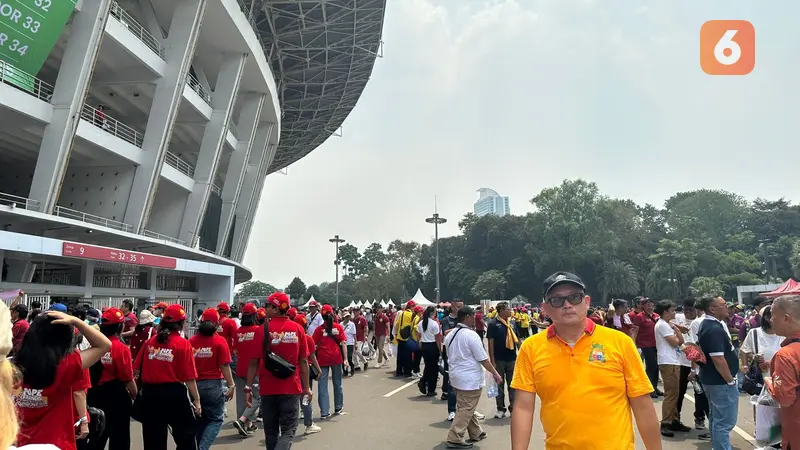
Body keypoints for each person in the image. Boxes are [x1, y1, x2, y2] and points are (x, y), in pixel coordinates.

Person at [510, 272, 661, 450]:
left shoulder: (620, 343)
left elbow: (642, 405)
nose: (567, 305)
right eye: (557, 300)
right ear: (545, 308)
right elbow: (523, 408)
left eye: (574, 297)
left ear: (586, 302)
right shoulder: (531, 348)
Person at [13, 310, 112, 450]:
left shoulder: (11, 367)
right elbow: (104, 345)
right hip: (56, 443)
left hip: (16, 443)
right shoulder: (67, 365)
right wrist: (76, 321)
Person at [244, 292, 312, 450]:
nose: (265, 308)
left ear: (275, 309)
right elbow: (303, 362)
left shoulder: (262, 330)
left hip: (268, 388)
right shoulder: (298, 329)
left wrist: (248, 387)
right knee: (288, 431)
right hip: (291, 388)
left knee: (271, 433)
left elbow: (253, 362)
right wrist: (307, 388)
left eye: (267, 305)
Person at [133, 304, 200, 450]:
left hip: (151, 396)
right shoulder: (183, 344)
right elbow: (189, 377)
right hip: (174, 395)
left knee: (153, 441)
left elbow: (136, 369)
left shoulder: (150, 342)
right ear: (182, 323)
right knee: (186, 438)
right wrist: (197, 400)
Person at [443, 306, 501, 449]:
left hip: (456, 376)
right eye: (473, 316)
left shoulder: (450, 334)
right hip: (469, 378)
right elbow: (483, 358)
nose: (475, 319)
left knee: (465, 405)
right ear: (467, 317)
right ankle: (455, 437)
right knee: (466, 408)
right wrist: (494, 372)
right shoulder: (471, 335)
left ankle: (476, 432)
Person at [86, 308, 137, 450]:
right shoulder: (121, 348)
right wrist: (136, 396)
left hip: (95, 395)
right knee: (119, 439)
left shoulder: (95, 345)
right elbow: (127, 378)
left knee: (97, 436)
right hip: (116, 397)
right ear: (120, 327)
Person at [696, 296, 739, 450]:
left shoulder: (709, 325)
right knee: (724, 422)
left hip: (713, 380)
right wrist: (730, 380)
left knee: (717, 418)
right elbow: (718, 359)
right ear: (712, 309)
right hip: (720, 382)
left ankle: (718, 447)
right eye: (723, 305)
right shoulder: (713, 328)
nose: (726, 307)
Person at [189, 308, 235, 450]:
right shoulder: (220, 341)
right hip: (213, 386)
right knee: (216, 419)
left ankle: (198, 446)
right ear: (216, 324)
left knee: (200, 420)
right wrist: (232, 385)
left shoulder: (191, 341)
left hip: (194, 386)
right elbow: (224, 366)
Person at [765, 294, 800, 449]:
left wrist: (770, 383)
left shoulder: (786, 355)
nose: (770, 320)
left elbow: (785, 398)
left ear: (786, 318)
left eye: (773, 316)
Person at [653, 300, 691, 437]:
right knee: (671, 394)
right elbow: (677, 343)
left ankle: (674, 420)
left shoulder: (666, 323)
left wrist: (676, 328)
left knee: (675, 392)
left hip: (672, 361)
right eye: (672, 310)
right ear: (665, 312)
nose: (675, 312)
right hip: (668, 362)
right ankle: (666, 423)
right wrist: (678, 331)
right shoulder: (663, 325)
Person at [312, 305, 348, 419]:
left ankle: (324, 412)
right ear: (332, 314)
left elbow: (314, 346)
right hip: (336, 358)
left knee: (322, 386)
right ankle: (338, 407)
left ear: (322, 317)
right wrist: (346, 359)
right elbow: (343, 343)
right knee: (337, 383)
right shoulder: (338, 327)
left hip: (322, 359)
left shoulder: (319, 330)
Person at [232, 304, 261, 437]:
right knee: (258, 397)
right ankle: (242, 420)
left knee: (241, 398)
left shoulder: (238, 331)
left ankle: (246, 424)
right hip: (254, 369)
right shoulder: (258, 330)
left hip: (240, 367)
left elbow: (236, 350)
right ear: (255, 316)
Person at [487, 302, 518, 419]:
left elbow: (517, 339)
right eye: (508, 309)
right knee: (499, 384)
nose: (510, 311)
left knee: (513, 385)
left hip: (512, 358)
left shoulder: (512, 323)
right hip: (499, 359)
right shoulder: (493, 324)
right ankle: (500, 409)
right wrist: (492, 360)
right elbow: (491, 342)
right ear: (501, 311)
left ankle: (513, 408)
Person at [293, 313, 322, 435]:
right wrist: (319, 370)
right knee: (306, 396)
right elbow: (312, 357)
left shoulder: (289, 337)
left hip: (291, 372)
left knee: (292, 398)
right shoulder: (307, 338)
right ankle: (309, 424)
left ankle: (290, 426)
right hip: (304, 371)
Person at [632, 297, 662, 398]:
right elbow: (635, 331)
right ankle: (649, 388)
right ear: (643, 306)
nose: (650, 305)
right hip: (645, 344)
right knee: (651, 366)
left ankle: (655, 387)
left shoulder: (656, 316)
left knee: (657, 366)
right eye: (647, 303)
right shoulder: (639, 317)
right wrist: (634, 343)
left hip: (657, 344)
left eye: (651, 303)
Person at [416, 306, 442, 397]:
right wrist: (440, 349)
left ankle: (423, 382)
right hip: (432, 346)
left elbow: (418, 334)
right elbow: (437, 339)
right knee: (433, 369)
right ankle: (430, 388)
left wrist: (419, 342)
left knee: (428, 366)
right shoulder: (434, 324)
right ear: (433, 313)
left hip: (424, 345)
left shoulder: (421, 323)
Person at [392, 301, 416, 377]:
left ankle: (399, 371)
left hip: (400, 336)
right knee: (408, 356)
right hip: (408, 337)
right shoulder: (412, 315)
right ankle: (407, 372)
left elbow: (396, 325)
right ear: (411, 307)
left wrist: (396, 334)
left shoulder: (402, 313)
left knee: (400, 355)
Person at [372, 304, 390, 369]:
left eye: (379, 308)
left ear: (382, 309)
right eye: (377, 308)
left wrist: (388, 335)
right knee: (380, 347)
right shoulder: (375, 316)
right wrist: (374, 331)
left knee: (379, 347)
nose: (378, 309)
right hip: (377, 334)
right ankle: (386, 358)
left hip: (383, 334)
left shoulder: (385, 317)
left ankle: (379, 362)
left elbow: (388, 326)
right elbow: (374, 324)